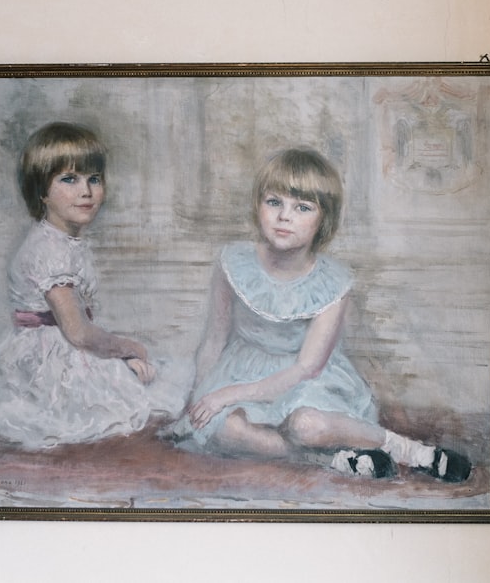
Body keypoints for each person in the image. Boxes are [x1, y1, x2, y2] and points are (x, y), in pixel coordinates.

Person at [166, 147, 471, 482]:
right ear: (258, 206)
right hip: (243, 371)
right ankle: (332, 460)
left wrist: (229, 395)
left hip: (305, 382)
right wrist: (201, 396)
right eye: (274, 202)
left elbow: (306, 367)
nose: (284, 216)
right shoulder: (233, 263)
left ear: (323, 219)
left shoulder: (333, 282)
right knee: (224, 431)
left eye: (302, 207)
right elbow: (214, 338)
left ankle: (412, 452)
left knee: (305, 425)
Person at [0, 122, 187, 450]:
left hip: (66, 348)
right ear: (41, 191)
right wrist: (127, 348)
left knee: (153, 377)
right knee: (145, 389)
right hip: (49, 363)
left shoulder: (63, 243)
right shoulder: (49, 250)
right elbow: (79, 333)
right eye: (69, 179)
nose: (86, 191)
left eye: (94, 179)